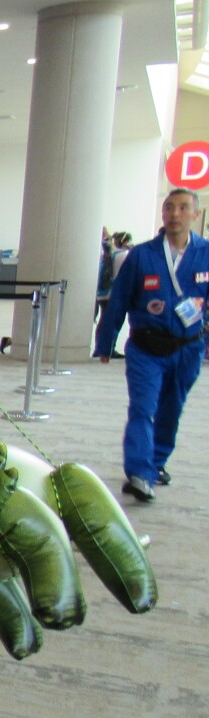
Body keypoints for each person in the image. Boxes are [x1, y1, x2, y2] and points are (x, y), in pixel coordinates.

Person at [93, 188, 209, 501]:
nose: (175, 214)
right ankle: (140, 473)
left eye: (183, 208)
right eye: (169, 207)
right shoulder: (142, 256)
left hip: (188, 348)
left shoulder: (206, 253)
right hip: (146, 348)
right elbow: (118, 301)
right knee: (143, 408)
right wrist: (106, 343)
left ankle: (156, 463)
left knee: (172, 408)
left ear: (196, 215)